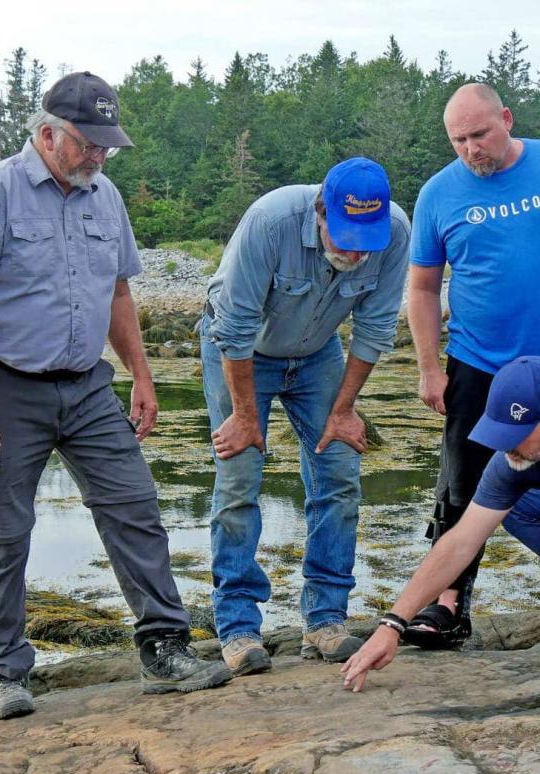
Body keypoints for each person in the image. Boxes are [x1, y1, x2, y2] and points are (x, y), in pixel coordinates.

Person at [0, 70, 232, 721]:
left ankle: (164, 649)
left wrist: (141, 373)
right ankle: (2, 671)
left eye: (108, 146)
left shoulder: (104, 197)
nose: (100, 157)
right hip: (6, 387)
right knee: (3, 530)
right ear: (48, 133)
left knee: (135, 506)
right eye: (89, 144)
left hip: (87, 387)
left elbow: (117, 292)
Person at [201, 157, 410, 675]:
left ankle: (324, 620)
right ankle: (239, 627)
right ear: (321, 212)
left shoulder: (396, 234)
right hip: (240, 353)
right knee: (239, 479)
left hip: (318, 355)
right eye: (344, 237)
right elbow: (235, 328)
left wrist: (344, 410)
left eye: (367, 239)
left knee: (339, 475)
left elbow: (376, 328)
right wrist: (247, 418)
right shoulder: (270, 221)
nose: (356, 251)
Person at [405, 82, 540, 648]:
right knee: (462, 484)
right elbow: (422, 287)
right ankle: (448, 606)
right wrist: (430, 368)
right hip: (478, 361)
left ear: (506, 119)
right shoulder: (438, 193)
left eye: (479, 134)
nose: (471, 149)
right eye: (458, 139)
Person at [342, 355, 540, 692]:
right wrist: (392, 625)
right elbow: (461, 540)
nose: (506, 447)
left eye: (516, 433)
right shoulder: (511, 462)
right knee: (514, 505)